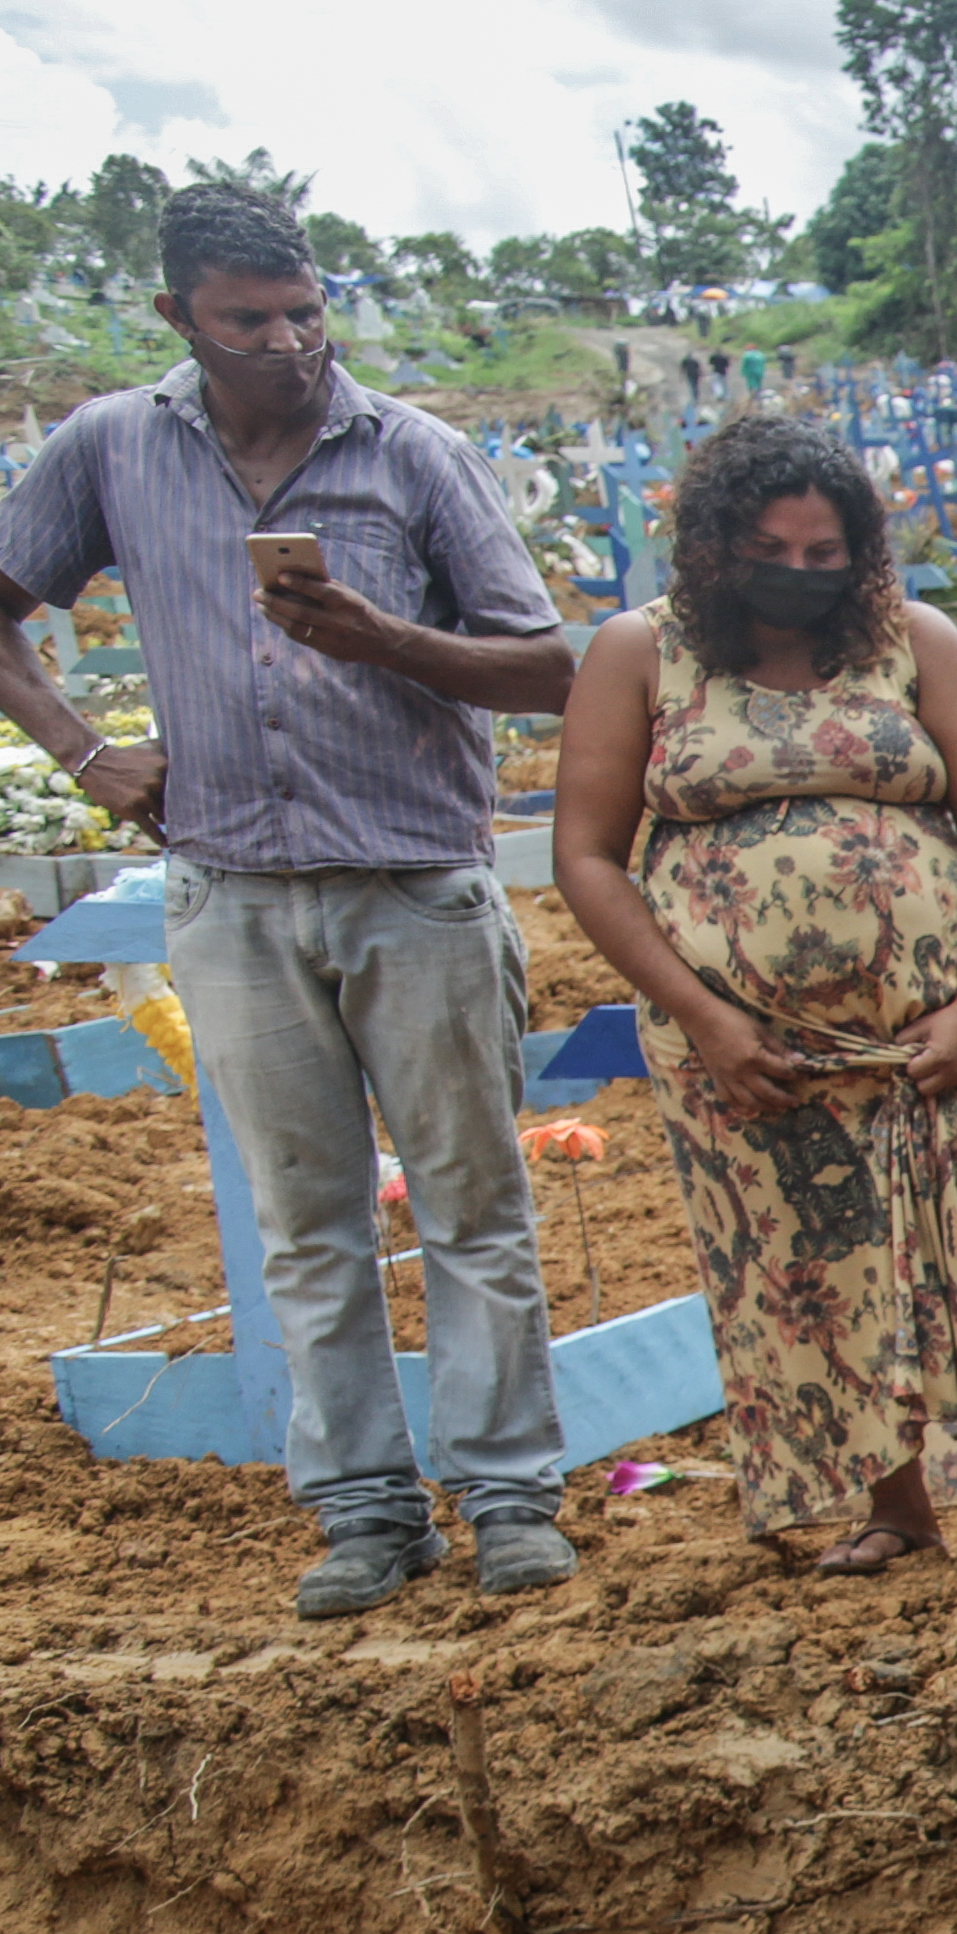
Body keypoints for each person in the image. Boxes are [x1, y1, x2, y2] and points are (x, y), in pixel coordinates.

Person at [0, 182, 579, 1615]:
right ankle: (366, 1508)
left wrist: (383, 637)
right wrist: (87, 752)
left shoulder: (412, 454)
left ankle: (507, 1492)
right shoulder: (115, 449)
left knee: (471, 1197)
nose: (289, 342)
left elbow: (551, 665)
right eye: (248, 321)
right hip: (235, 893)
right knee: (303, 1219)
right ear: (175, 320)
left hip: (414, 885)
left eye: (306, 311)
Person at [551, 418, 957, 1576]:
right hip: (747, 1047)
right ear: (711, 546)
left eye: (826, 555)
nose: (801, 574)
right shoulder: (639, 655)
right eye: (771, 549)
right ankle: (894, 1508)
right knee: (815, 1267)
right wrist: (707, 1018)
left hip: (942, 1029)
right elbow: (587, 856)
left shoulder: (915, 642)